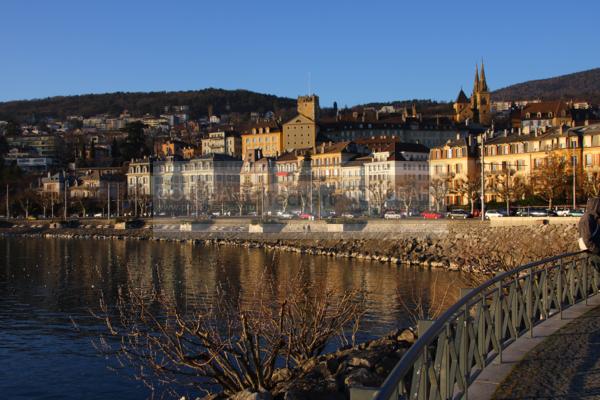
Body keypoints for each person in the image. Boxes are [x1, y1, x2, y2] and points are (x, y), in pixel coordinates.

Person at [578, 197, 600, 269]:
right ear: (596, 206)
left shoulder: (594, 218)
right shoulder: (587, 218)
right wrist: (597, 250)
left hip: (593, 253)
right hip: (591, 254)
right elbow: (587, 239)